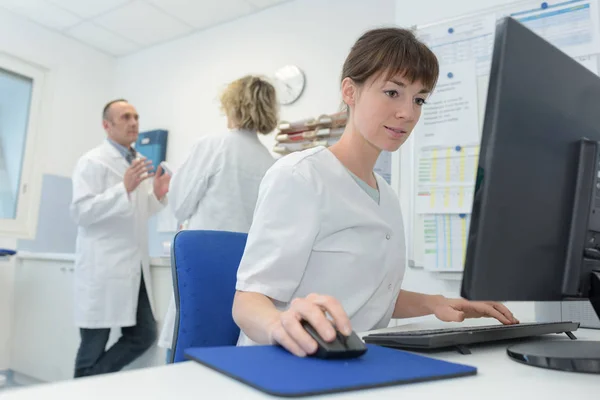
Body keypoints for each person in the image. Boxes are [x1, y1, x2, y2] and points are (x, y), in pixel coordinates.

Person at [232, 27, 519, 357]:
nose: (408, 113)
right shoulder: (300, 176)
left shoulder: (386, 194)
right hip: (285, 360)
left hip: (356, 358)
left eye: (419, 99)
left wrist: (438, 303)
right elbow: (248, 300)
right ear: (350, 92)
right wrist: (278, 326)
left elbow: (371, 296)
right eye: (393, 92)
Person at [158, 75, 278, 359]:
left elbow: (180, 205)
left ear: (233, 106)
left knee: (184, 356)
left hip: (203, 273)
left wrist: (169, 187)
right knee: (224, 364)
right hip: (248, 286)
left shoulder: (213, 145)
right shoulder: (271, 162)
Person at [70, 99, 171, 376]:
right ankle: (84, 386)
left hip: (132, 267)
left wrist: (157, 195)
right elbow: (81, 212)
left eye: (136, 116)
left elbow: (136, 212)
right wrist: (122, 190)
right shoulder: (92, 161)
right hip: (102, 269)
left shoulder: (136, 162)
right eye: (125, 117)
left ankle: (90, 382)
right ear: (107, 125)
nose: (134, 122)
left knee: (145, 334)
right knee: (91, 349)